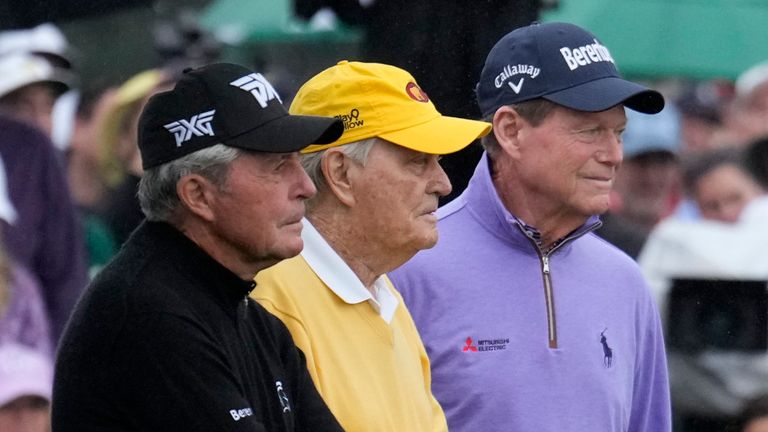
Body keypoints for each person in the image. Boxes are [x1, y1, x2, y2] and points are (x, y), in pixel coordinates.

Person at [389, 22, 671, 431]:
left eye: (619, 134)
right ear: (510, 131)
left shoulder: (625, 281)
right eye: (590, 131)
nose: (613, 155)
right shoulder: (407, 266)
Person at [52, 62, 346, 431]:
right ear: (198, 195)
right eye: (277, 166)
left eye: (298, 162)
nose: (306, 186)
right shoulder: (149, 317)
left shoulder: (250, 318)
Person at [252, 60, 490, 431]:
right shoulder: (271, 302)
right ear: (341, 173)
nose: (443, 183)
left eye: (438, 161)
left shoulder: (384, 295)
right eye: (417, 161)